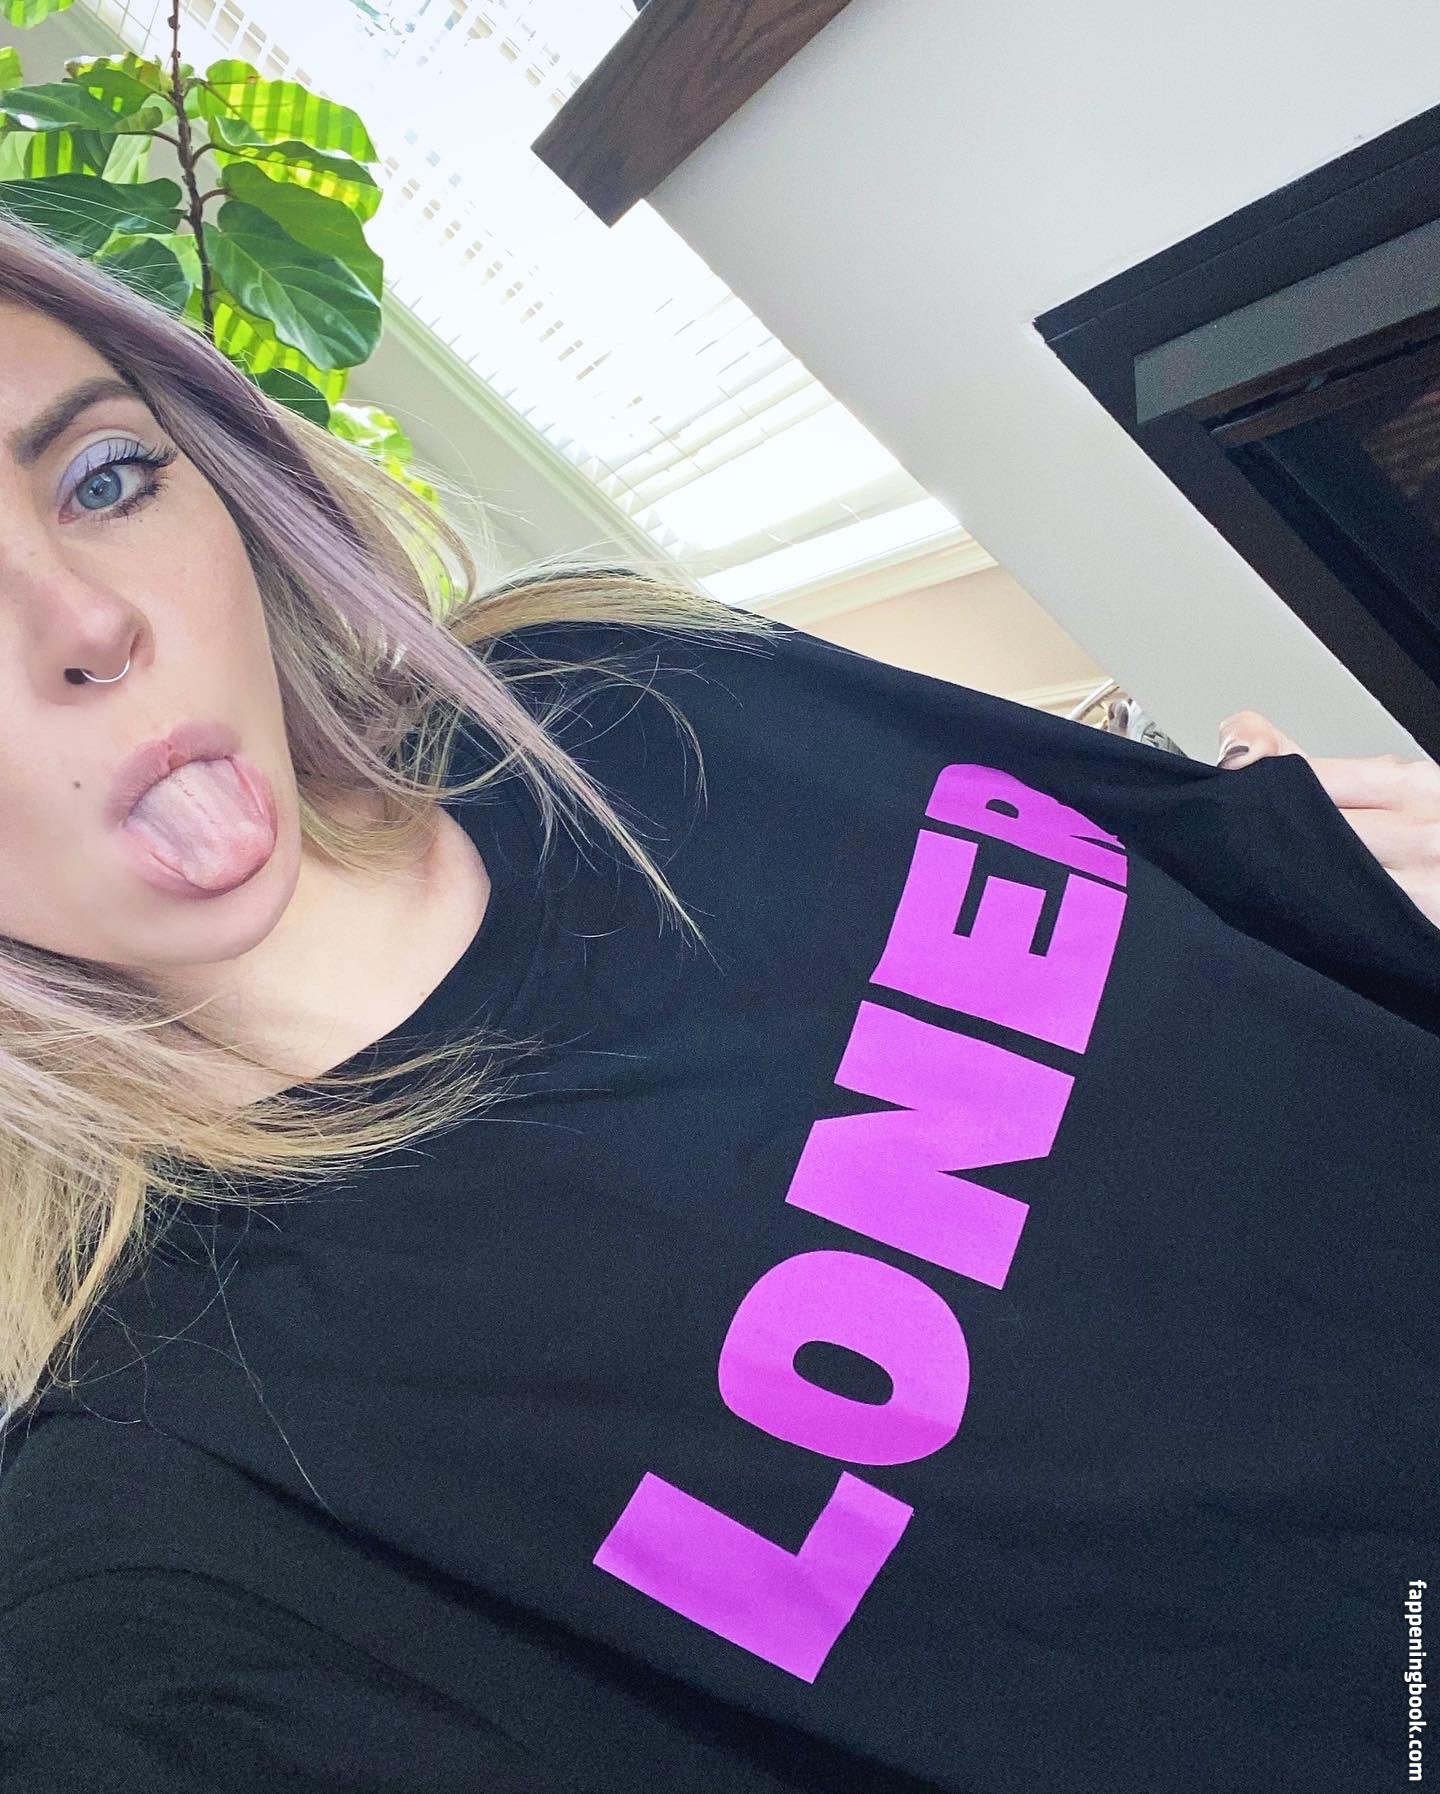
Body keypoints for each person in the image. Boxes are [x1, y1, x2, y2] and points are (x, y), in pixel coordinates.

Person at [0, 206, 1436, 1794]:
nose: (88, 619)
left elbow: (1236, 885)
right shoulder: (162, 1520)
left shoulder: (616, 682)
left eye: (104, 478)